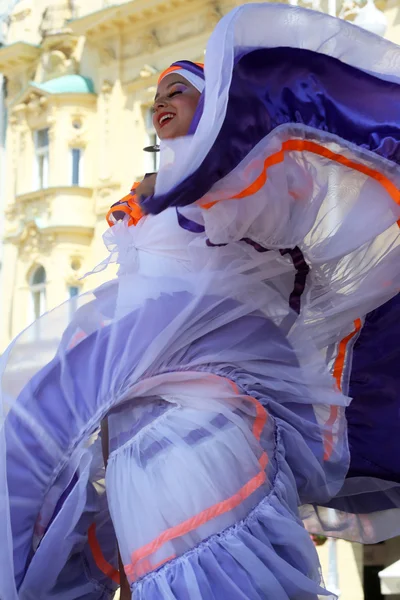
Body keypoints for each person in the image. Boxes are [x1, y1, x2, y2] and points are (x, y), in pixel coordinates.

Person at [1, 4, 400, 600]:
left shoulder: (245, 182)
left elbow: (264, 219)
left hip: (212, 402)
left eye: (179, 90)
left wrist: (186, 185)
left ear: (218, 107)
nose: (161, 101)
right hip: (143, 408)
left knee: (205, 550)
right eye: (155, 95)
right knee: (146, 536)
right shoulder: (154, 200)